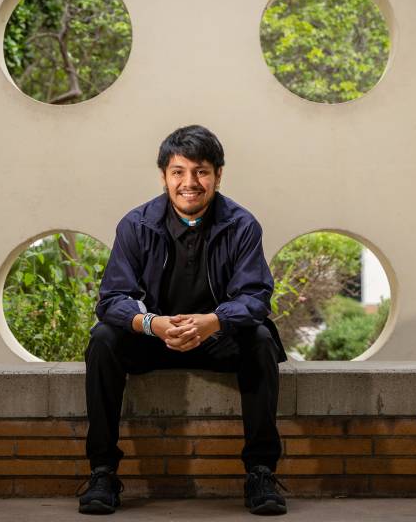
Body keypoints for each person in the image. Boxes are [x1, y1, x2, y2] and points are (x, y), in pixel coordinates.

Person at [77, 125, 288, 515]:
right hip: (154, 339)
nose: (189, 183)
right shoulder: (136, 225)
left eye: (201, 171)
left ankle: (260, 472)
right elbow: (112, 299)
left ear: (218, 175)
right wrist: (152, 324)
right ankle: (102, 472)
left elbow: (256, 297)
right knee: (104, 339)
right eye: (178, 172)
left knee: (260, 339)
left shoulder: (242, 225)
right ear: (164, 176)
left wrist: (214, 321)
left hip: (216, 338)